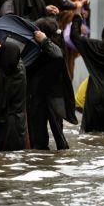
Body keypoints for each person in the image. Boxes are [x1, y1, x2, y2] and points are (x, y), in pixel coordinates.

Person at [26, 18, 77, 150]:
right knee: (38, 143)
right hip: (37, 98)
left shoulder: (54, 47)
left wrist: (44, 41)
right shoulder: (35, 49)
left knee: (60, 140)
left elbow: (58, 55)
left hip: (53, 98)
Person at [0, 36, 29, 151]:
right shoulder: (20, 68)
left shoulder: (1, 76)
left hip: (5, 124)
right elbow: (11, 56)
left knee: (2, 156)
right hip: (20, 122)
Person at [59, 0, 93, 78]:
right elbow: (64, 12)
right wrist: (76, 13)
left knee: (70, 67)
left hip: (73, 35)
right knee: (66, 68)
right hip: (65, 36)